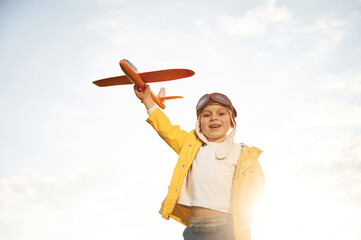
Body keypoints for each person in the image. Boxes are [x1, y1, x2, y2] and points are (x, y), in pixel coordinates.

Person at [134, 85, 265, 240]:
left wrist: (253, 213)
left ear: (231, 122)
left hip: (227, 227)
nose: (214, 118)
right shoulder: (190, 146)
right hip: (195, 228)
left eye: (221, 113)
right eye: (206, 115)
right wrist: (148, 100)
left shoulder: (243, 153)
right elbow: (166, 129)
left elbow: (257, 184)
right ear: (199, 123)